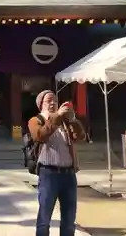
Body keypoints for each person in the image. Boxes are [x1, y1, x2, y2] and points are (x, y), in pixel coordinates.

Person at [28, 90, 86, 236]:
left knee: (69, 219)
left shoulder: (64, 122)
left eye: (55, 99)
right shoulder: (36, 120)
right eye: (48, 100)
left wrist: (73, 120)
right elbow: (39, 135)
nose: (53, 103)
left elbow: (80, 137)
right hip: (49, 174)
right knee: (44, 218)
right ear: (41, 104)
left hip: (68, 174)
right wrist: (56, 117)